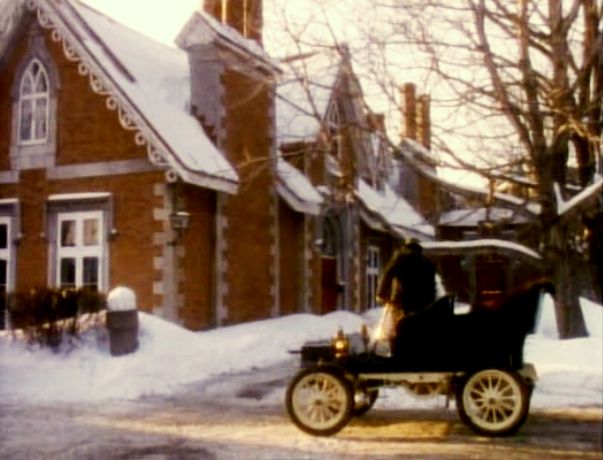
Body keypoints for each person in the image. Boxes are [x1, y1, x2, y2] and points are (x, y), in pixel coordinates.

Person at [376, 239, 436, 317]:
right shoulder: (427, 262)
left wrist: (381, 294)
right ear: (419, 248)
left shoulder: (400, 258)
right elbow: (431, 286)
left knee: (398, 326)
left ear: (406, 246)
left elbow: (387, 274)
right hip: (422, 305)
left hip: (400, 302)